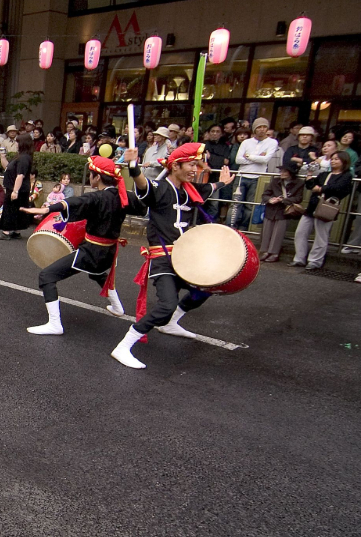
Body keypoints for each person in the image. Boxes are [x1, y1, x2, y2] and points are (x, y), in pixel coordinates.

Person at [110, 143, 235, 369]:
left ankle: (171, 323)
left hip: (185, 257)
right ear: (175, 166)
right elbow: (142, 183)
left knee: (204, 289)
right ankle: (123, 347)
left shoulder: (189, 190)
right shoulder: (159, 187)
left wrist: (222, 183)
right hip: (163, 258)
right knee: (166, 304)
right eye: (191, 164)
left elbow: (208, 189)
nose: (195, 169)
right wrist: (132, 165)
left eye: (196, 165)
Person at [20, 154, 146, 334]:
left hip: (92, 251)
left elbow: (75, 202)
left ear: (97, 176)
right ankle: (117, 307)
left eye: (91, 175)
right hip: (108, 251)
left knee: (47, 276)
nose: (90, 178)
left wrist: (46, 208)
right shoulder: (124, 197)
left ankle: (55, 324)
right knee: (96, 273)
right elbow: (143, 206)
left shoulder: (98, 198)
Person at [289, 151, 353, 270]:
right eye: (332, 159)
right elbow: (311, 186)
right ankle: (299, 258)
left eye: (337, 159)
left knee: (321, 236)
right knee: (300, 233)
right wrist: (309, 175)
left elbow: (340, 189)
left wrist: (321, 189)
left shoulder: (346, 176)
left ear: (344, 161)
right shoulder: (324, 174)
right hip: (312, 206)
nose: (333, 161)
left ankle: (315, 261)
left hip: (327, 208)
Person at [259, 161, 305, 262]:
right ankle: (264, 251)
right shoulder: (276, 181)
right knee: (266, 231)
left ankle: (274, 253)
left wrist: (283, 200)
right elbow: (265, 194)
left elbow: (298, 198)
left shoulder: (299, 183)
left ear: (291, 173)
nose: (282, 173)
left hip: (284, 210)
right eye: (281, 171)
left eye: (285, 171)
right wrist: (270, 199)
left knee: (278, 233)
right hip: (271, 209)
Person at [0, 133, 34, 240]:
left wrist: (15, 191)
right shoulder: (21, 156)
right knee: (17, 209)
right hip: (16, 187)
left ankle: (6, 232)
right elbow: (8, 167)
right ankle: (16, 231)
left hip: (16, 188)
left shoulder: (24, 158)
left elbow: (20, 175)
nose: (16, 143)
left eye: (17, 141)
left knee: (10, 209)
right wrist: (2, 157)